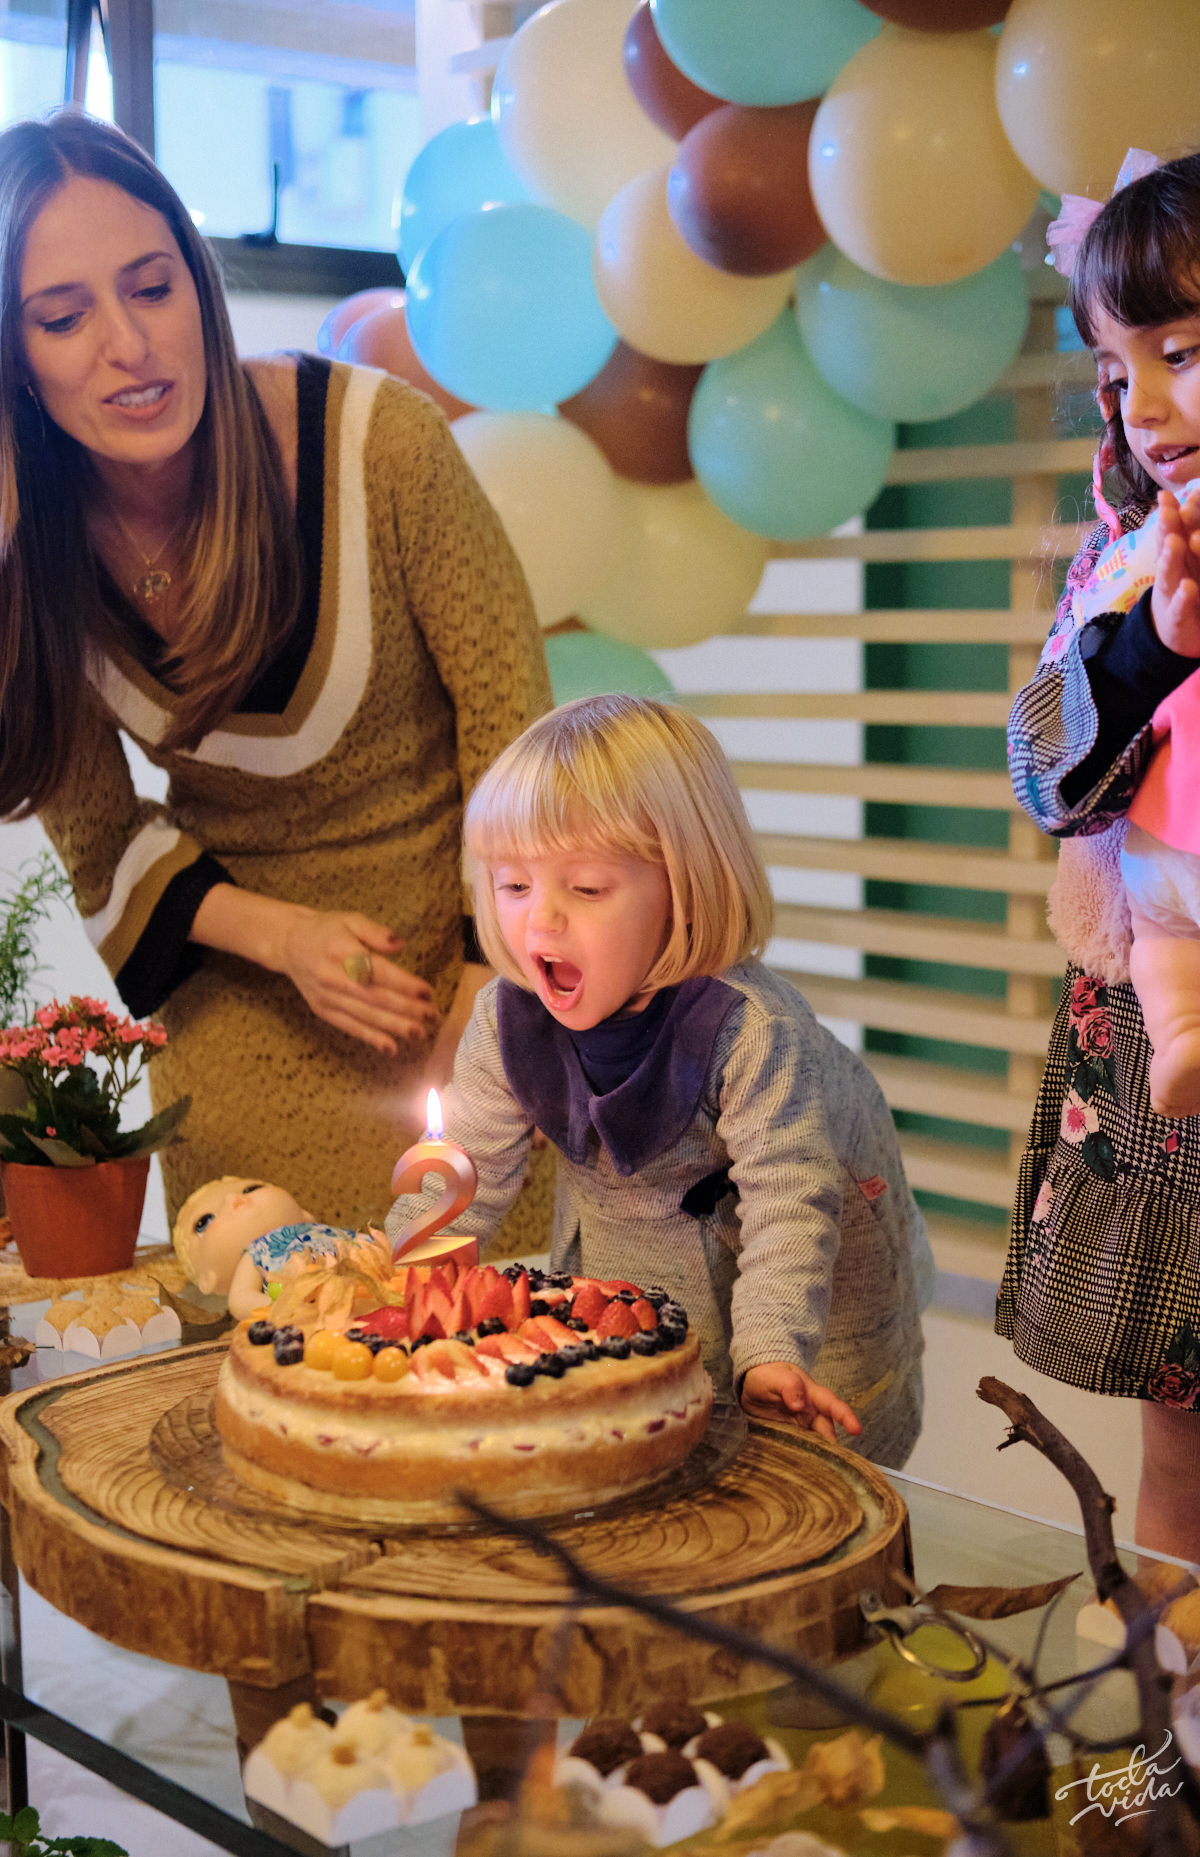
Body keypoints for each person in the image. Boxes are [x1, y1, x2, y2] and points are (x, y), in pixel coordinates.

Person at [0, 110, 551, 1231]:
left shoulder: (380, 449)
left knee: (483, 1345)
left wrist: (486, 1013)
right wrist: (286, 939)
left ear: (200, 289)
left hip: (464, 961)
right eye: (64, 318)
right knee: (263, 1354)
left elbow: (519, 748)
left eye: (153, 289)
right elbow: (103, 842)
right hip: (242, 989)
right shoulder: (33, 545)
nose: (128, 346)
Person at [386, 694, 933, 1467]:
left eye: (585, 888)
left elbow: (789, 1207)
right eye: (514, 885)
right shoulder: (506, 1021)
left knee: (804, 1490)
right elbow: (462, 1166)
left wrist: (773, 1353)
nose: (540, 921)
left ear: (684, 886)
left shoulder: (757, 1033)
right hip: (636, 1289)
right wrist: (403, 1269)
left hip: (813, 1314)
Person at [998, 149, 1200, 1560]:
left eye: (1183, 352)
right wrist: (1156, 642)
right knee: (1181, 1411)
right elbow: (1042, 766)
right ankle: (1177, 1708)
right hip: (1157, 1014)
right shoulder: (1129, 556)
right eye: (1121, 371)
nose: (1153, 407)